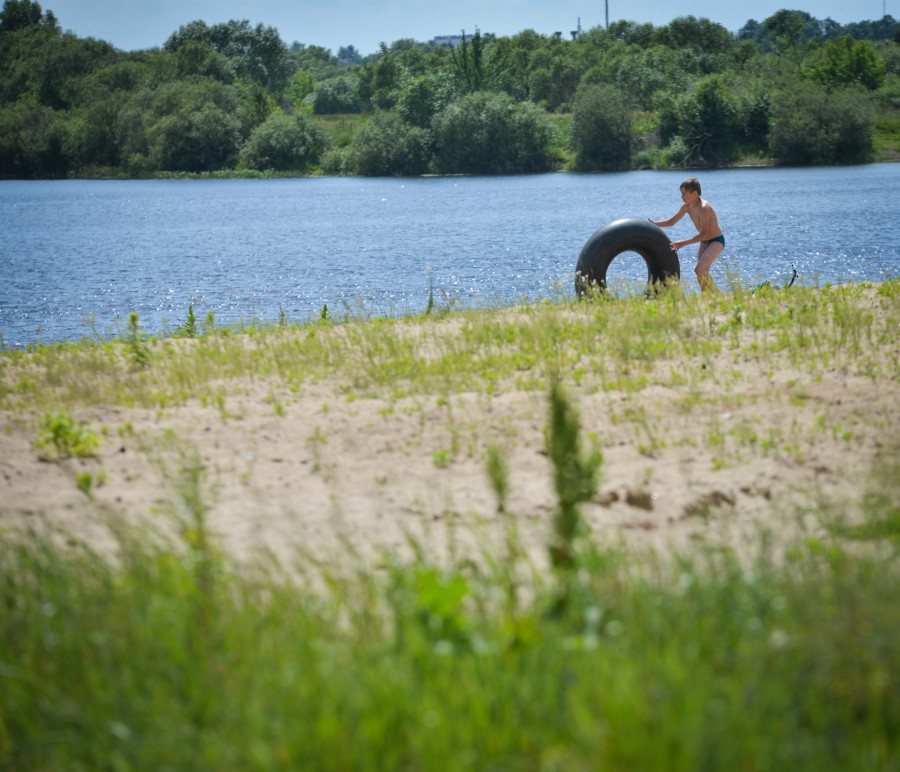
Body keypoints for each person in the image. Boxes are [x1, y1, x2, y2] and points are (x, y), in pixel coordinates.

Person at [649, 177, 724, 292]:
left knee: (699, 270)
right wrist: (654, 224)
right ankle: (709, 297)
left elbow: (705, 233)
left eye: (684, 193)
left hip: (716, 241)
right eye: (681, 193)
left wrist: (682, 243)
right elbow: (671, 221)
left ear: (694, 193)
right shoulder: (686, 207)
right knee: (702, 273)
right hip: (705, 242)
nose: (681, 197)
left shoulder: (704, 208)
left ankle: (716, 296)